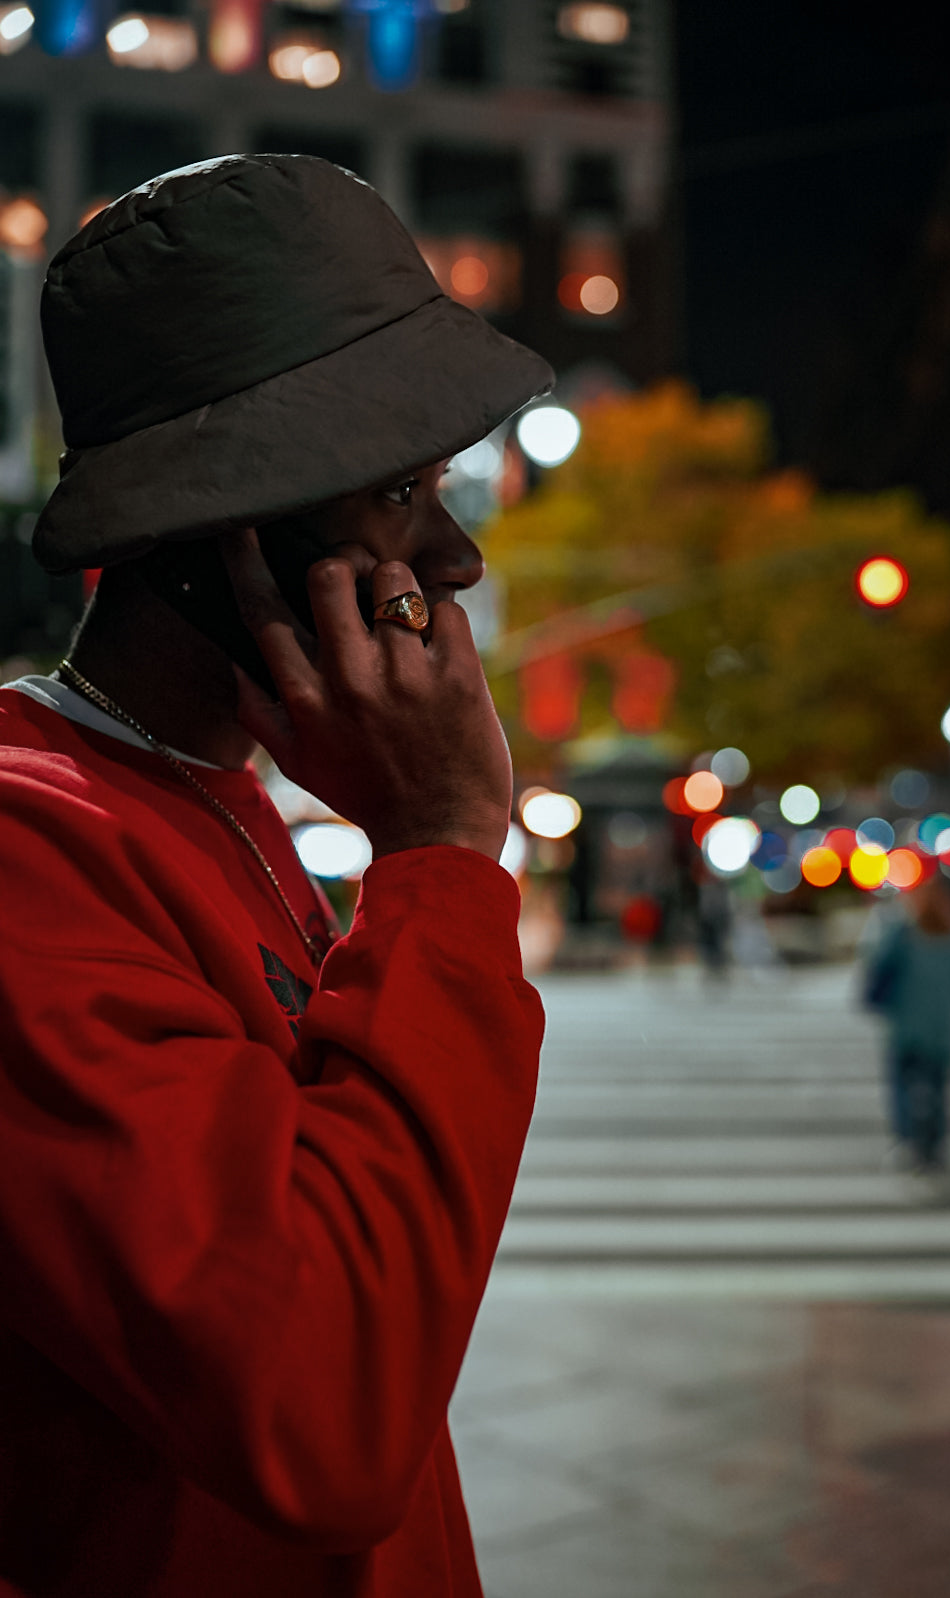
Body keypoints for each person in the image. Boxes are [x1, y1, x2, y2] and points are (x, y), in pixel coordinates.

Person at [0, 154, 554, 1597]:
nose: (455, 556)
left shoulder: (202, 803)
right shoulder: (27, 859)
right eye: (398, 495)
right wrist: (439, 849)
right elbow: (321, 1408)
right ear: (228, 536)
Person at [863, 875, 950, 1173]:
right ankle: (935, 1147)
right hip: (941, 1030)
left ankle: (908, 1140)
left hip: (907, 1027)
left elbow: (878, 966)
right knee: (939, 1091)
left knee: (903, 1086)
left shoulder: (903, 934)